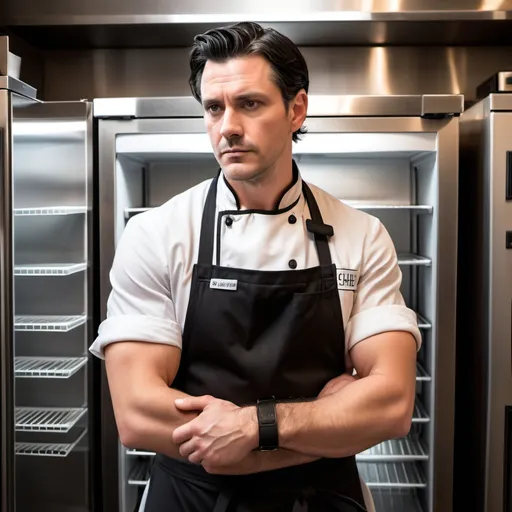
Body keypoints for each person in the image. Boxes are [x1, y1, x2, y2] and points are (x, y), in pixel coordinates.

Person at [90, 21, 420, 512]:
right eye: (214, 108)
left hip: (321, 499)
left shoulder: (361, 235)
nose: (228, 128)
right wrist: (326, 421)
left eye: (249, 103)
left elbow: (391, 407)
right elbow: (137, 415)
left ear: (296, 109)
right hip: (191, 498)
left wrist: (252, 429)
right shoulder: (156, 234)